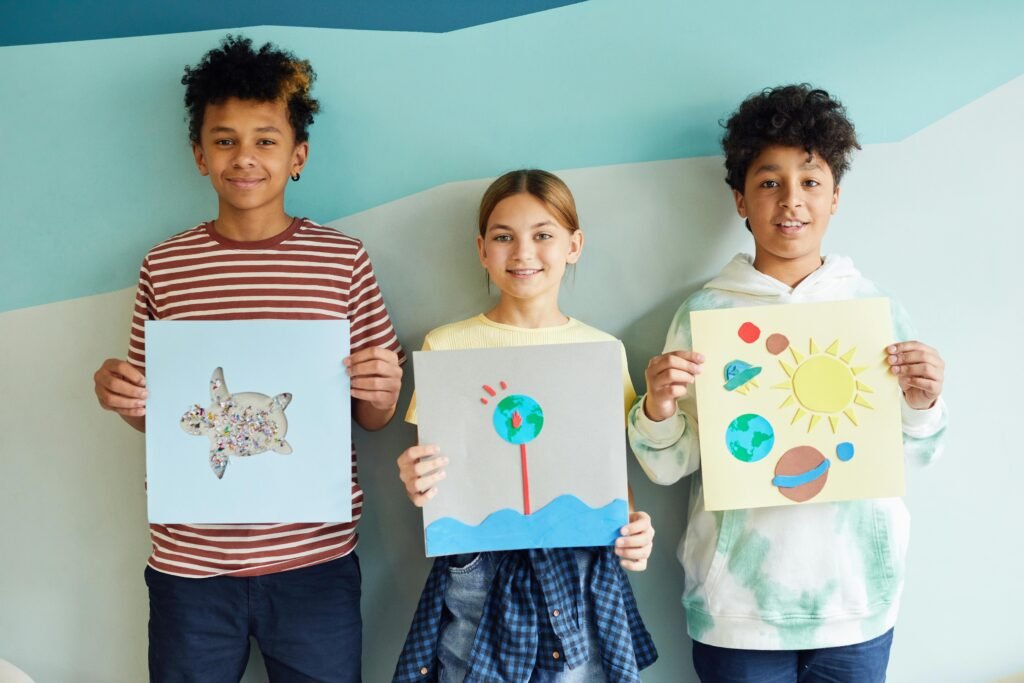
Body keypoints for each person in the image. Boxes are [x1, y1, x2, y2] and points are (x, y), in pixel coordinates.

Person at [92, 35, 403, 682]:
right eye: (225, 140)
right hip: (189, 565)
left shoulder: (342, 260)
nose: (244, 157)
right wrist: (125, 398)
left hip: (315, 560)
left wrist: (383, 388)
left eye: (265, 140)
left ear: (298, 155)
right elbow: (160, 418)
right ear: (199, 155)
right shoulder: (166, 266)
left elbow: (373, 418)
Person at [628, 84, 948, 682]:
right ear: (741, 200)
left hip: (856, 603)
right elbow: (670, 467)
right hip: (738, 610)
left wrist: (923, 403)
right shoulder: (704, 315)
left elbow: (914, 454)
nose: (791, 200)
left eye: (811, 181)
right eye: (770, 182)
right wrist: (659, 408)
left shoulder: (874, 308)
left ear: (835, 197)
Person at [392, 170, 657, 682]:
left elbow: (608, 477)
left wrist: (634, 528)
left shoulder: (601, 351)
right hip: (480, 569)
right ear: (481, 250)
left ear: (573, 245)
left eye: (543, 235)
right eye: (503, 237)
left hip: (581, 569)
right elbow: (434, 480)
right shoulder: (446, 347)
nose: (522, 253)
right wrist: (415, 480)